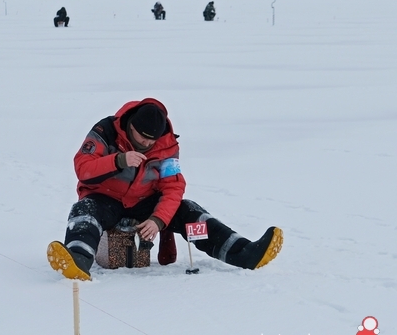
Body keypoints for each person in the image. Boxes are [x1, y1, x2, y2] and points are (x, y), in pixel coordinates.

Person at [46, 98, 283, 280]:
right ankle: (78, 259)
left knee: (188, 210)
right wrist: (118, 160)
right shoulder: (104, 130)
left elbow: (173, 186)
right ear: (130, 126)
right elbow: (82, 168)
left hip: (143, 202)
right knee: (85, 210)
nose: (148, 144)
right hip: (103, 198)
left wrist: (158, 220)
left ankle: (244, 253)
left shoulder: (167, 146)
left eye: (153, 140)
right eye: (143, 138)